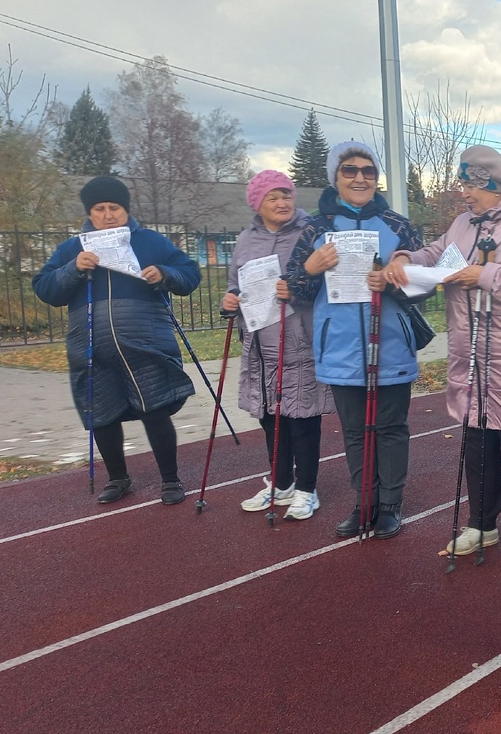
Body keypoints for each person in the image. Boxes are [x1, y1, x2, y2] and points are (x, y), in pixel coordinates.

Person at [391, 146, 501, 559]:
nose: (464, 194)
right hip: (467, 349)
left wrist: (485, 275)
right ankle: (481, 523)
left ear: (491, 184)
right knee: (476, 439)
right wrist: (407, 259)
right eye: (463, 184)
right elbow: (436, 254)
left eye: (470, 185)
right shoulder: (462, 223)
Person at [32, 175, 201, 505]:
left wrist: (165, 274)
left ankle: (170, 479)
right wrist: (72, 269)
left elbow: (190, 274)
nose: (108, 215)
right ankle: (118, 478)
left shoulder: (150, 241)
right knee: (102, 414)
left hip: (145, 341)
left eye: (115, 207)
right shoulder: (71, 248)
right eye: (100, 208)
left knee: (154, 411)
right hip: (91, 345)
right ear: (89, 213)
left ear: (125, 210)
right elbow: (45, 288)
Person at [285, 141, 423, 540]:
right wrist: (310, 269)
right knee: (355, 430)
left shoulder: (398, 225)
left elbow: (424, 289)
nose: (360, 177)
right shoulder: (314, 228)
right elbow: (294, 291)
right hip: (341, 348)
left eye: (368, 171)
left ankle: (390, 504)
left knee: (391, 426)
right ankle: (364, 501)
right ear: (336, 176)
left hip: (391, 341)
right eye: (350, 170)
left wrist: (397, 276)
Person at [222, 170, 334, 521]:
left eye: (286, 194)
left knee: (302, 417)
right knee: (270, 416)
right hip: (259, 343)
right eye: (273, 196)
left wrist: (299, 285)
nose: (283, 202)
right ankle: (281, 482)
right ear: (257, 203)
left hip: (299, 338)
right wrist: (229, 300)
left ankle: (306, 489)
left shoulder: (310, 231)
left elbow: (331, 281)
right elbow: (234, 284)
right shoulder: (245, 239)